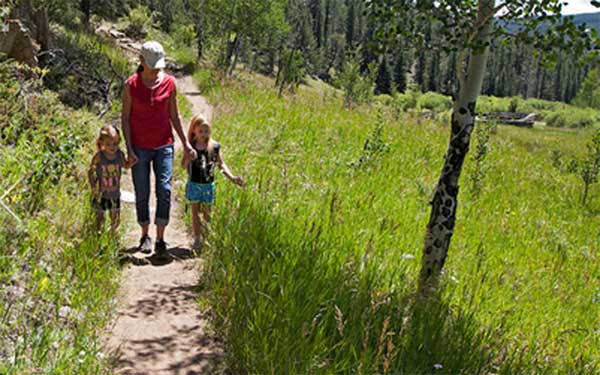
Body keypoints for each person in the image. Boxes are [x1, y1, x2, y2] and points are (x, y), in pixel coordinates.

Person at [122, 41, 196, 258]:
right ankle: (144, 235)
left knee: (164, 190)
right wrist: (129, 148)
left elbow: (175, 115)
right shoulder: (131, 85)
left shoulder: (170, 84)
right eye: (151, 64)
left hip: (164, 145)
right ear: (141, 61)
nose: (156, 69)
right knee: (142, 192)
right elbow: (125, 118)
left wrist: (185, 142)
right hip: (139, 147)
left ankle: (161, 238)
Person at [182, 114, 245, 251]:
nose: (204, 134)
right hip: (194, 184)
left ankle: (206, 238)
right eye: (201, 131)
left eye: (206, 131)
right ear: (194, 131)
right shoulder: (191, 146)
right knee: (194, 212)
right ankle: (197, 238)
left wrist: (232, 177)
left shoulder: (214, 147)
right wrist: (189, 156)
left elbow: (221, 164)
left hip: (208, 185)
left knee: (207, 213)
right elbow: (183, 165)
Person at [88, 125, 131, 232]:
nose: (112, 147)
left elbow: (125, 165)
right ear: (102, 143)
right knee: (99, 219)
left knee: (115, 219)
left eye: (115, 144)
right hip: (101, 194)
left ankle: (112, 237)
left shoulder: (119, 155)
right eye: (108, 144)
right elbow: (91, 170)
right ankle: (98, 237)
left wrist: (132, 161)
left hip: (114, 193)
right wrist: (93, 186)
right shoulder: (99, 156)